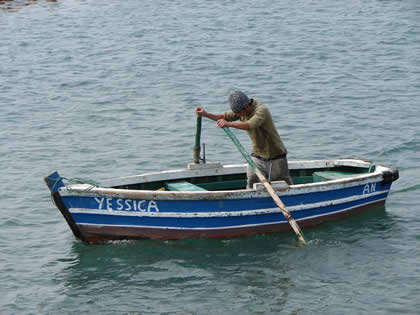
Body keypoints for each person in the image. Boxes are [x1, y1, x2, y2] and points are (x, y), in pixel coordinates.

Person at [195, 91, 293, 189]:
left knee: (282, 186)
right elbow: (223, 117)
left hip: (275, 156)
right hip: (257, 155)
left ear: (246, 108)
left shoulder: (261, 110)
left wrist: (229, 124)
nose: (237, 115)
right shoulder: (241, 111)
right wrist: (206, 114)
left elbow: (250, 125)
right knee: (251, 182)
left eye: (238, 113)